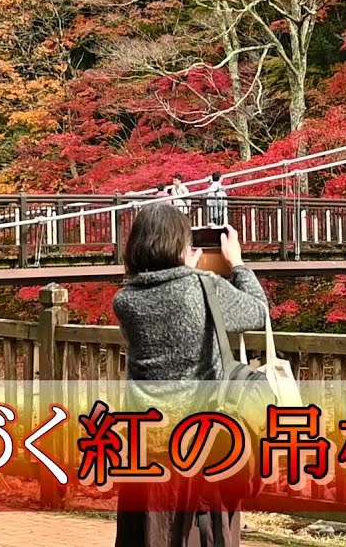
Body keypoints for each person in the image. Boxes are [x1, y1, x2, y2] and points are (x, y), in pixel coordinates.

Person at [112, 203, 268, 546]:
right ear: (181, 245)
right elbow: (258, 311)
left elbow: (167, 302)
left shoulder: (124, 301)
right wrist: (237, 263)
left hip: (148, 450)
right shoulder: (202, 286)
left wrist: (188, 269)